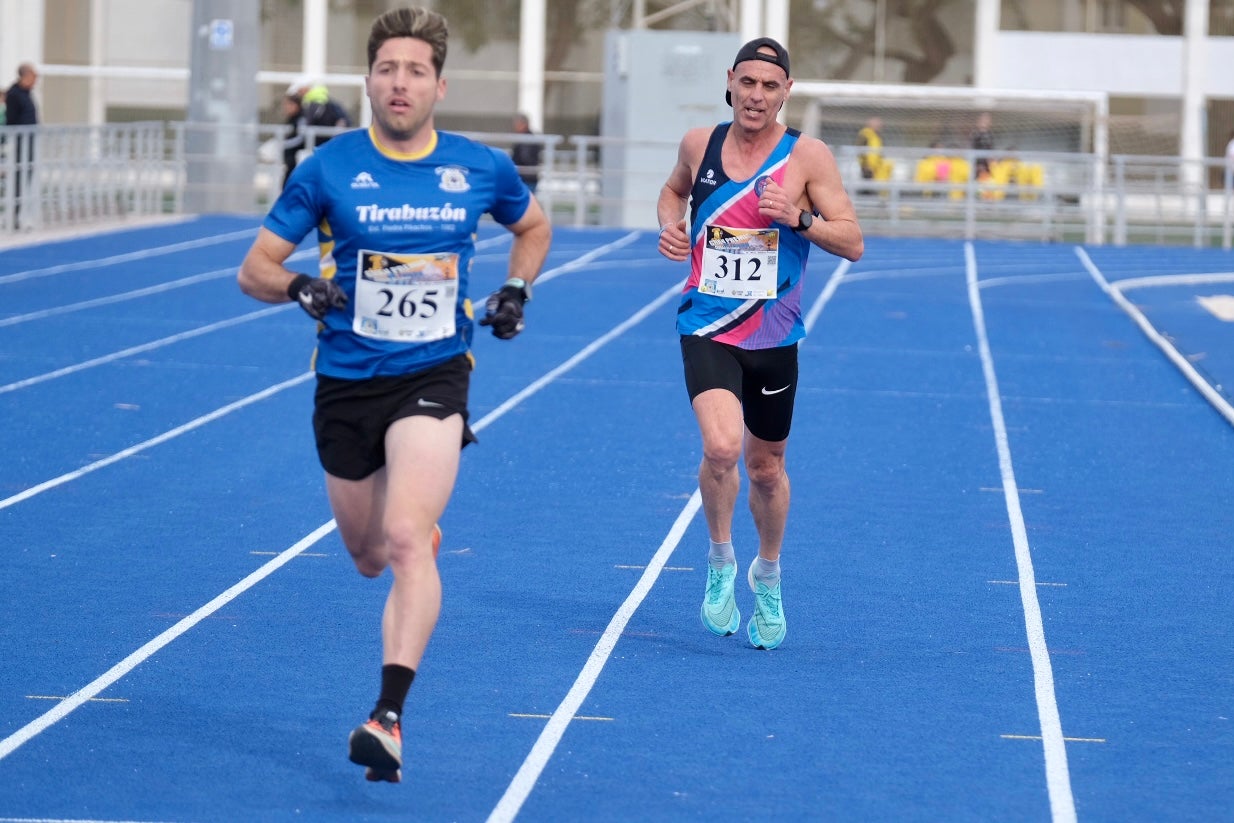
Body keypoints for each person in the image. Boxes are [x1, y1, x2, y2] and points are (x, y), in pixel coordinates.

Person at [237, 6, 551, 783]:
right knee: (369, 555)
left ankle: (387, 716)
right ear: (368, 82)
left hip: (435, 374)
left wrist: (515, 288)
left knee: (408, 538)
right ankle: (409, 541)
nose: (399, 82)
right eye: (387, 70)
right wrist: (302, 285)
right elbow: (254, 270)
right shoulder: (327, 169)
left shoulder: (479, 167)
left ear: (439, 85)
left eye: (414, 70)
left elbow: (534, 226)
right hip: (345, 382)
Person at [655, 37, 863, 651]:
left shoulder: (809, 158)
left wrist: (798, 219)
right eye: (748, 83)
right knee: (721, 447)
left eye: (770, 87)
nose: (757, 96)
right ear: (731, 81)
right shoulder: (700, 144)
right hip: (707, 324)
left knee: (766, 468)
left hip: (773, 336)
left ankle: (766, 573)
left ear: (786, 93)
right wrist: (672, 225)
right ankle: (721, 562)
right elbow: (672, 191)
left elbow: (853, 241)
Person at [5, 63, 39, 229]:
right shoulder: (15, 94)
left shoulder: (26, 94)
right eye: (34, 76)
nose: (36, 80)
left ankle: (21, 217)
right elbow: (11, 119)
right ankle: (13, 217)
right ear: (25, 76)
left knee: (27, 179)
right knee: (17, 180)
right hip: (20, 143)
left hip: (30, 141)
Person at [301, 83, 353, 148]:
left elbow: (344, 121)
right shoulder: (310, 103)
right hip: (323, 141)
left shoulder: (311, 103)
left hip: (321, 141)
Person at [279, 91, 306, 189]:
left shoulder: (301, 119)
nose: (286, 107)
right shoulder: (290, 119)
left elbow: (300, 138)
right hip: (288, 160)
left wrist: (285, 144)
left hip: (295, 159)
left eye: (289, 104)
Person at [510, 112, 542, 191]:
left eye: (517, 124)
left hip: (526, 178)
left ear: (523, 124)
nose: (515, 127)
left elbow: (525, 157)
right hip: (528, 177)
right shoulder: (529, 137)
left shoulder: (526, 139)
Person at [971, 111, 994, 179]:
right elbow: (973, 148)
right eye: (984, 119)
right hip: (977, 165)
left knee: (986, 184)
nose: (986, 121)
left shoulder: (990, 135)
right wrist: (978, 164)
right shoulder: (975, 134)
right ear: (979, 121)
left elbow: (991, 149)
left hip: (987, 166)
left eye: (988, 119)